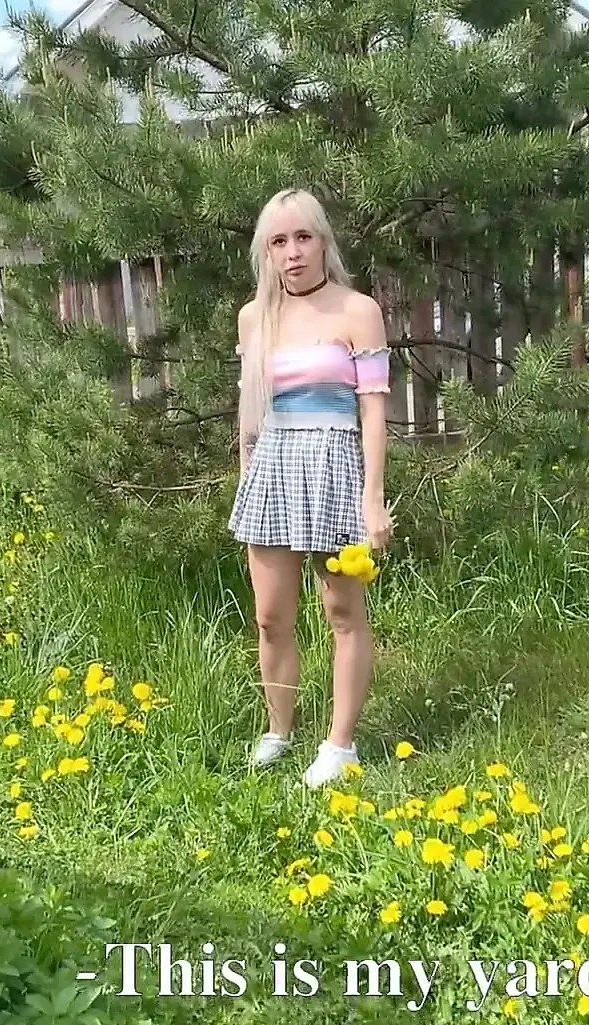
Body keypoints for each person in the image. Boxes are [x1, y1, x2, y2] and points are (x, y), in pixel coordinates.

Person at [228, 187, 394, 788]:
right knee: (270, 617)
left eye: (303, 237)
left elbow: (373, 410)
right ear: (266, 252)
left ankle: (340, 745)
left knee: (342, 612)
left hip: (335, 469)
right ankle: (279, 731)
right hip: (272, 470)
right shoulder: (254, 317)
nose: (293, 252)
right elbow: (251, 413)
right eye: (279, 241)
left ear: (324, 241)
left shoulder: (358, 310)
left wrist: (372, 499)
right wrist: (246, 476)